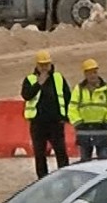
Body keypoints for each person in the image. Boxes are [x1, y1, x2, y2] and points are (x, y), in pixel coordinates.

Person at [21, 50, 71, 179]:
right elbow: (26, 95)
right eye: (42, 65)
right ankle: (42, 180)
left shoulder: (58, 78)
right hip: (38, 124)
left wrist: (65, 118)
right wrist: (39, 84)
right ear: (37, 65)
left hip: (55, 123)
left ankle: (65, 179)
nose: (44, 67)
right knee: (40, 154)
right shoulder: (30, 79)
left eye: (46, 64)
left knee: (61, 153)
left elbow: (67, 97)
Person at [69, 58, 107, 161]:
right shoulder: (79, 89)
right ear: (85, 74)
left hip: (103, 129)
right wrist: (78, 122)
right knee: (85, 162)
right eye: (89, 73)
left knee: (103, 160)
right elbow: (72, 107)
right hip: (84, 130)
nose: (92, 75)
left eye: (94, 72)